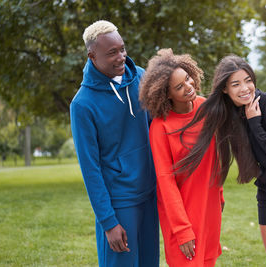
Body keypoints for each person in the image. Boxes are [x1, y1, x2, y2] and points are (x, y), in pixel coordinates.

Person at [177, 55, 266, 267]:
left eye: (248, 80)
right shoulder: (229, 115)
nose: (245, 88)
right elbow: (198, 116)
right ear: (225, 89)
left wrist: (255, 123)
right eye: (236, 84)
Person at [70, 20, 159, 267]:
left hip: (150, 194)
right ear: (92, 56)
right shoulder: (82, 104)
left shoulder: (141, 77)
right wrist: (108, 222)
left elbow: (161, 126)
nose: (121, 57)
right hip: (119, 203)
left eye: (122, 49)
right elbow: (90, 169)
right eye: (111, 53)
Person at [139, 48, 225, 267]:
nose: (189, 87)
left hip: (209, 207)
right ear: (166, 94)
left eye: (187, 79)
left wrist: (220, 194)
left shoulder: (206, 108)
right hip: (182, 214)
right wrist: (182, 230)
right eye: (179, 87)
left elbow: (215, 157)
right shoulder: (161, 127)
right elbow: (165, 180)